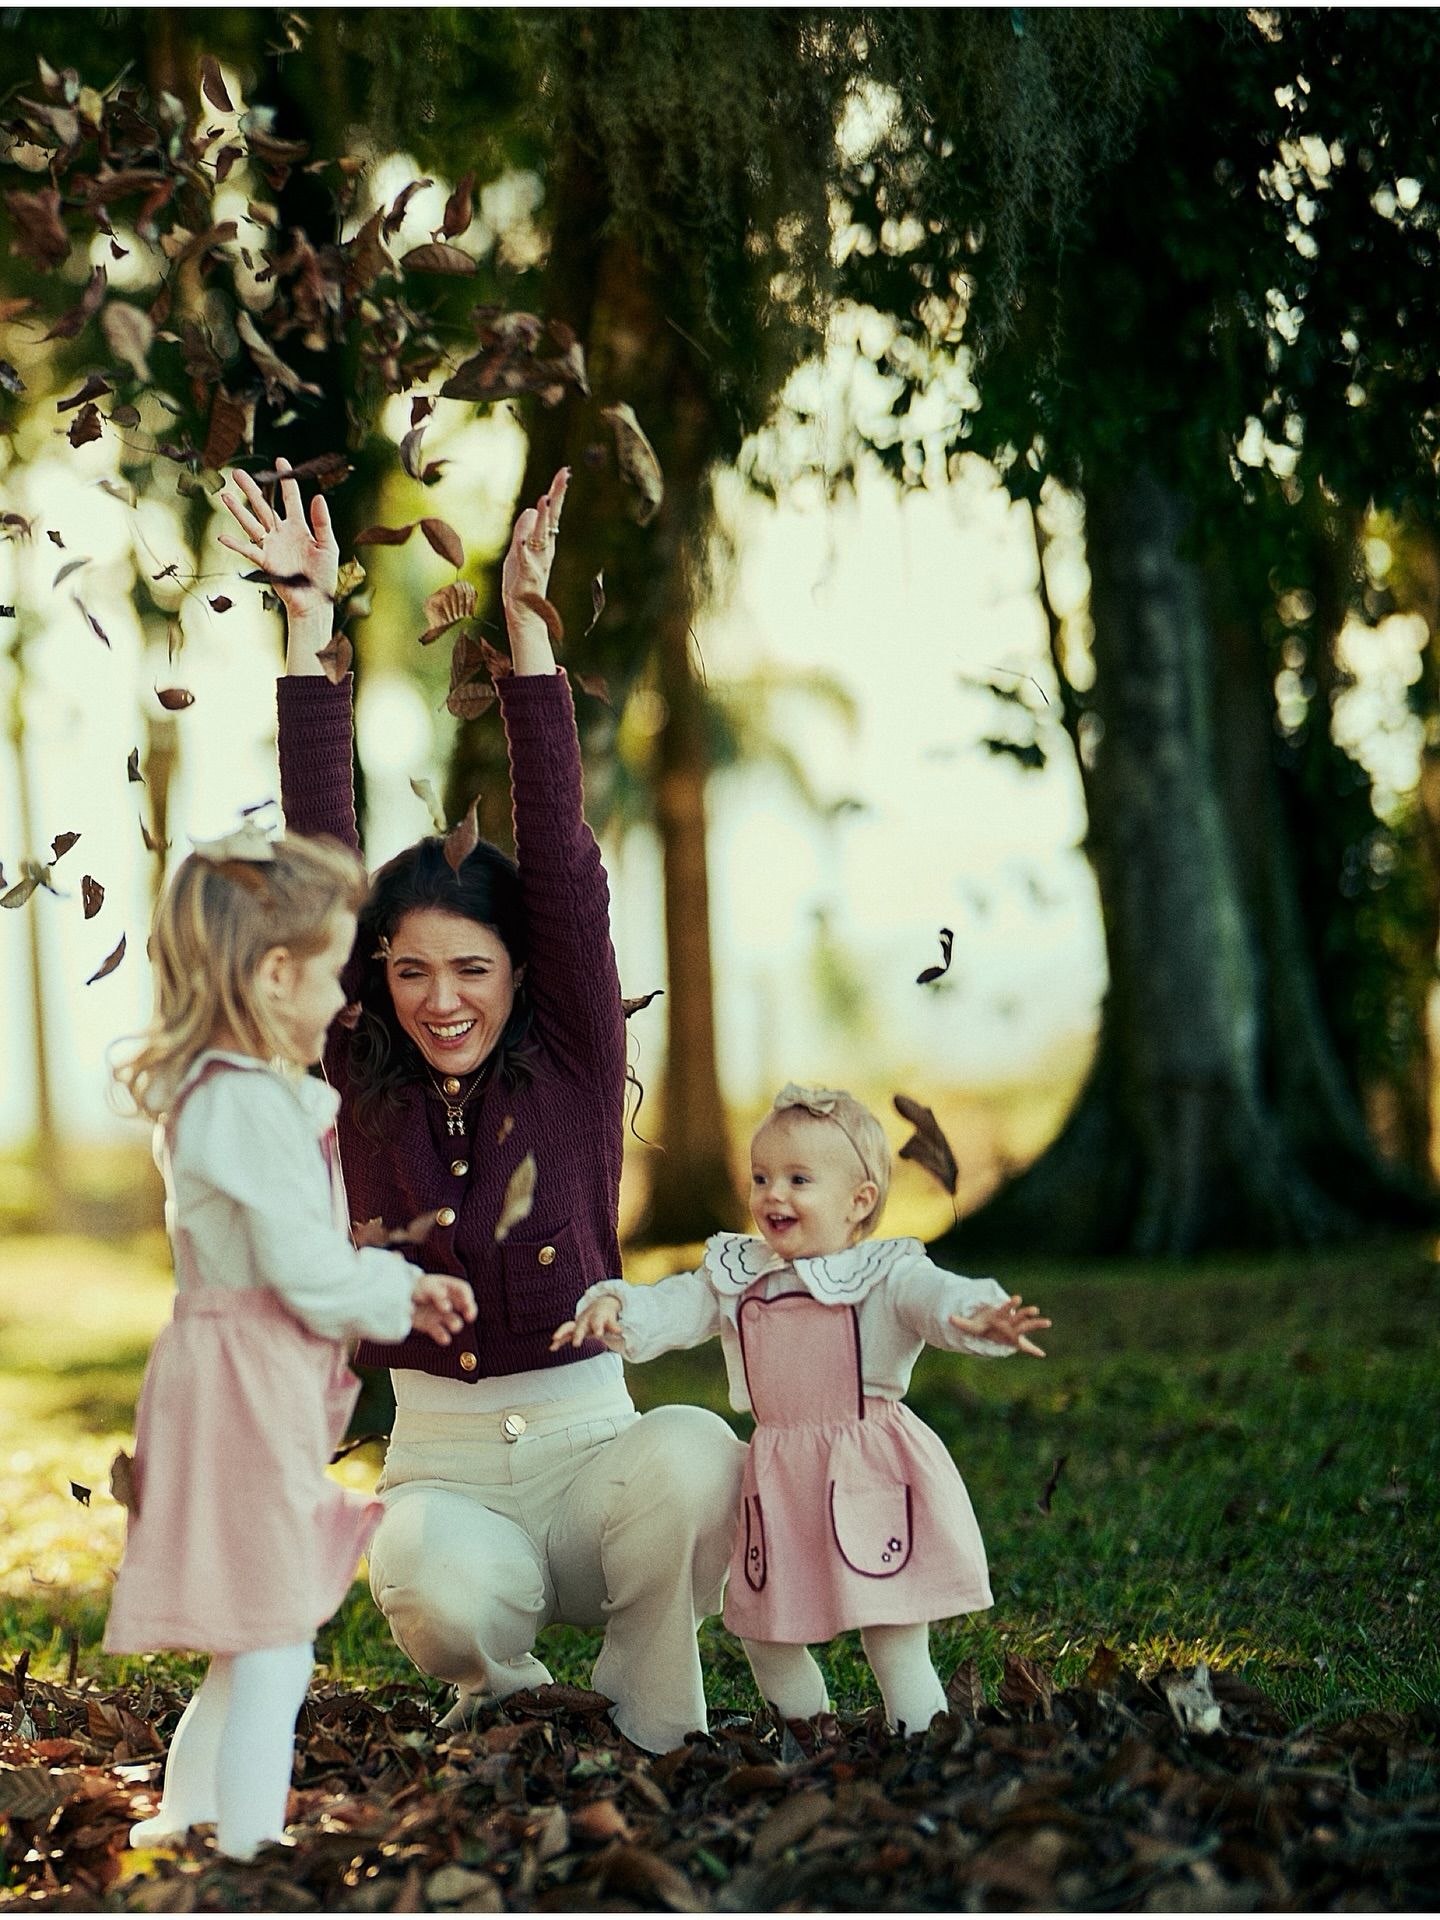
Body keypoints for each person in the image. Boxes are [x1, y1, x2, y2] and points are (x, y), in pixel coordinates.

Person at [216, 460, 745, 1756]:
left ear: (521, 970)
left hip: (594, 1453)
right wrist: (305, 626)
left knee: (697, 1456)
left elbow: (558, 854)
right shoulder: (359, 1071)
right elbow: (320, 863)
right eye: (410, 972)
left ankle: (646, 1687)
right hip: (445, 1471)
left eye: (471, 970)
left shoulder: (572, 1056)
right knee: (433, 1586)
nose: (440, 1000)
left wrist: (527, 638)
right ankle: (506, 1692)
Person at [105, 833, 477, 1860]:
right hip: (243, 1385)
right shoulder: (241, 1103)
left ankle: (188, 1814)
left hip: (237, 1376)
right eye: (332, 971)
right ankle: (249, 1845)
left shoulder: (231, 1093)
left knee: (248, 1633)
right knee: (275, 1642)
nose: (344, 996)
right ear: (275, 975)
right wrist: (399, 1288)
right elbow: (306, 1273)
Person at [554, 1082, 1051, 1736]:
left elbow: (935, 1298)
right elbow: (680, 1303)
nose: (773, 1195)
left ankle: (923, 1741)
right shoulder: (740, 1273)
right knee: (767, 1633)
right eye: (761, 1177)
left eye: (798, 1179)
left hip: (869, 1472)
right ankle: (809, 1734)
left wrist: (977, 1314)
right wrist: (622, 1308)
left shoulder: (884, 1274)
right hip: (782, 1481)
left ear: (859, 1201)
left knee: (892, 1627)